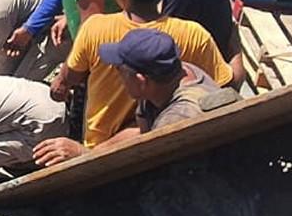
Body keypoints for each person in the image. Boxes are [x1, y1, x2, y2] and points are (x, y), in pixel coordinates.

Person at [33, 0, 235, 165]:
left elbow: (66, 81)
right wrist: (236, 47)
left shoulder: (96, 28)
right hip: (148, 143)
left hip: (104, 152)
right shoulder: (194, 35)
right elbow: (224, 83)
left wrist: (59, 87)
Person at [100, 28, 238, 143]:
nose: (118, 75)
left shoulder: (176, 121)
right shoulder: (178, 71)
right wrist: (91, 153)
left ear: (141, 80)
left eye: (119, 69)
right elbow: (143, 133)